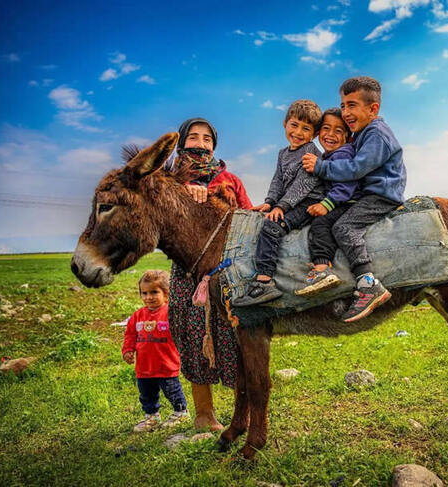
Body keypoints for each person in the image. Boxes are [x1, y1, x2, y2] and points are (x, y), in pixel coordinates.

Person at [167, 117, 253, 432]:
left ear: (214, 146)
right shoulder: (169, 181)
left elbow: (247, 216)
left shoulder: (230, 180)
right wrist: (183, 193)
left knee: (235, 339)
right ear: (181, 143)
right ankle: (204, 415)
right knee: (193, 339)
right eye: (193, 137)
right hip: (187, 275)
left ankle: (240, 416)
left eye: (207, 139)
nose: (200, 144)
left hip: (227, 271)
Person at [302, 76, 406, 322]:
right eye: (343, 105)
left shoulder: (377, 134)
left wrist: (320, 168)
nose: (345, 112)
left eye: (351, 105)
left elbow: (356, 169)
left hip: (381, 195)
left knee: (345, 227)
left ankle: (368, 282)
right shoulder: (363, 133)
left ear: (373, 109)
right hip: (370, 193)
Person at [232, 100, 324, 306]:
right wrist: (269, 202)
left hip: (308, 203)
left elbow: (302, 186)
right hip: (288, 202)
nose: (298, 132)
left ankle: (264, 281)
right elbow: (278, 181)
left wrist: (281, 207)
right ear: (285, 124)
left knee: (272, 226)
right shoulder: (283, 153)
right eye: (294, 125)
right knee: (261, 218)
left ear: (314, 134)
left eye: (306, 128)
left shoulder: (311, 153)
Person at [295, 107, 359, 296]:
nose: (330, 135)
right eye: (325, 128)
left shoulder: (342, 155)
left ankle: (322, 269)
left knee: (321, 224)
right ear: (318, 132)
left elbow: (346, 185)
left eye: (338, 131)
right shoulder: (327, 157)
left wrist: (326, 205)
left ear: (347, 136)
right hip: (340, 201)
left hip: (348, 202)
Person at [123, 270, 189, 432]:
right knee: (147, 394)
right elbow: (130, 334)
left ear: (166, 294)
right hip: (144, 367)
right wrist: (128, 350)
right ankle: (151, 416)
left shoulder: (170, 313)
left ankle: (181, 413)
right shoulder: (137, 316)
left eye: (154, 292)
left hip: (166, 364)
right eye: (144, 293)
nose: (149, 297)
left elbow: (182, 332)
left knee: (172, 390)